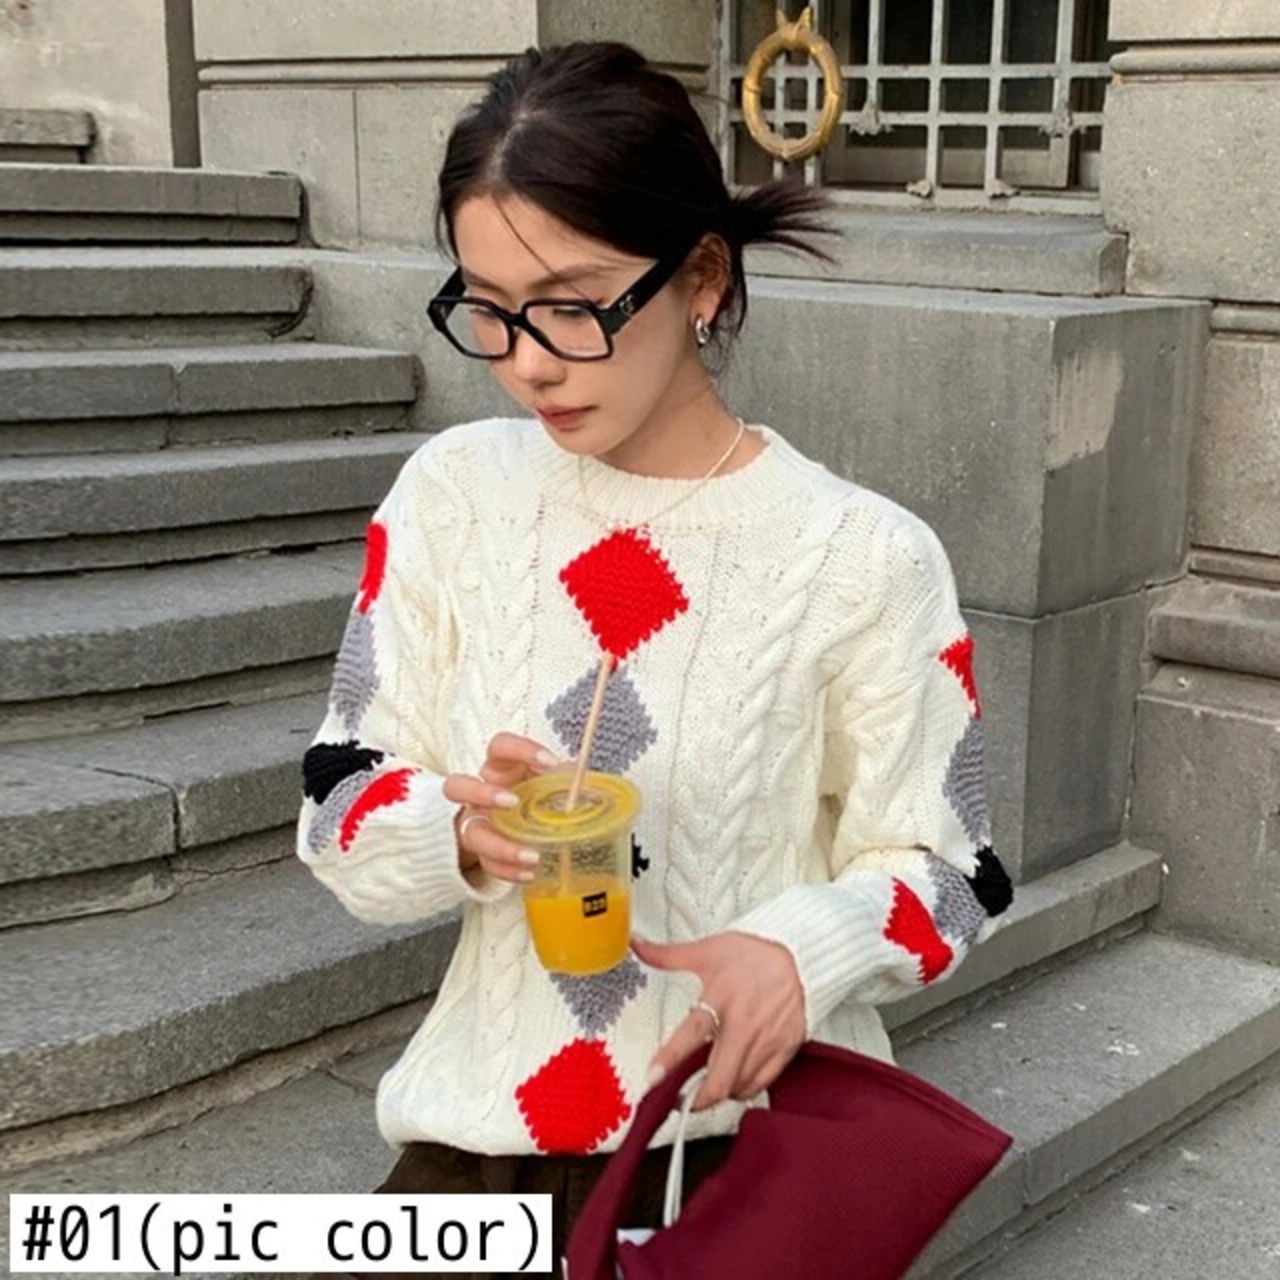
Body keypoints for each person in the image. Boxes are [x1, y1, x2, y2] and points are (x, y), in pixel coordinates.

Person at [297, 40, 1014, 1280]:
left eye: (572, 304)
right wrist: (455, 827)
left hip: (733, 1167)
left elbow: (958, 872)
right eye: (487, 307)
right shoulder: (451, 497)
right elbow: (335, 792)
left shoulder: (859, 555)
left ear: (700, 278)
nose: (526, 359)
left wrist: (802, 947)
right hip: (473, 1156)